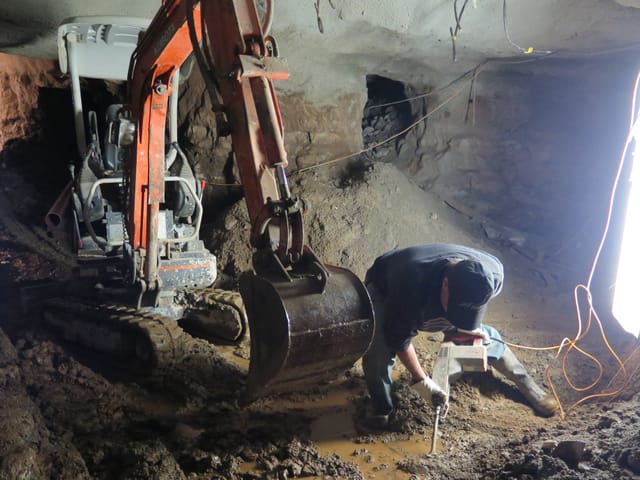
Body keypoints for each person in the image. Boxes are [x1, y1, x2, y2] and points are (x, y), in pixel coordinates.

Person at [362, 243, 557, 428]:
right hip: (386, 287)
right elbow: (399, 338)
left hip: (433, 290)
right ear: (445, 284)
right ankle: (381, 405)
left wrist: (469, 330)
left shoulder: (493, 275)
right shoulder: (410, 284)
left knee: (486, 337)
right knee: (378, 346)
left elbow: (468, 311)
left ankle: (530, 388)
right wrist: (422, 381)